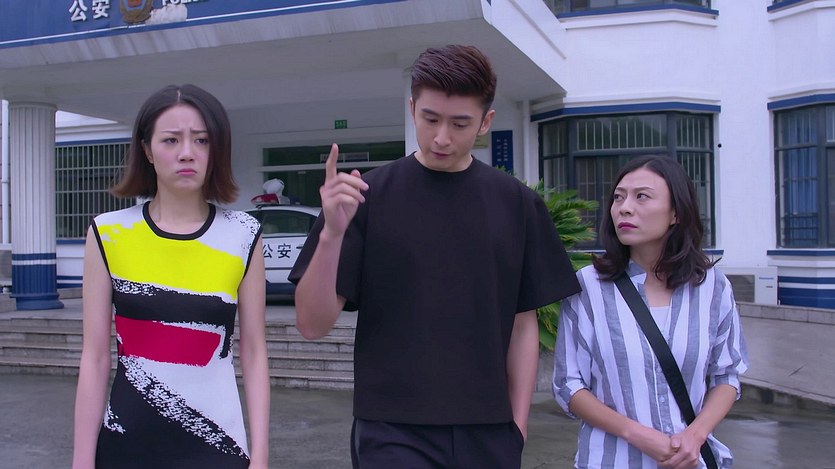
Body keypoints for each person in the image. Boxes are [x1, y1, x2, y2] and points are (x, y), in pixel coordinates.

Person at [289, 44, 580, 468]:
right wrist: (332, 234)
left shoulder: (516, 204)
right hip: (391, 429)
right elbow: (312, 325)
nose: (442, 137)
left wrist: (517, 427)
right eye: (430, 119)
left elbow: (523, 325)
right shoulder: (365, 198)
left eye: (460, 124)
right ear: (412, 109)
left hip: (489, 430)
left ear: (485, 122)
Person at [72, 84, 270, 468]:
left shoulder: (243, 234)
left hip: (218, 447)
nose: (187, 152)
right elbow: (94, 357)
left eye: (201, 140)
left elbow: (254, 351)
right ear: (147, 150)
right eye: (171, 140)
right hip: (126, 444)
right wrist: (82, 459)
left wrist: (260, 454)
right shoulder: (108, 233)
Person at [553, 155, 749, 469]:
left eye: (641, 196)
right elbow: (569, 384)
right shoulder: (587, 286)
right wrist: (639, 435)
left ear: (675, 213)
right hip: (610, 461)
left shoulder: (712, 287)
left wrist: (694, 436)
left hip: (691, 461)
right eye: (619, 197)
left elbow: (726, 375)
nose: (624, 208)